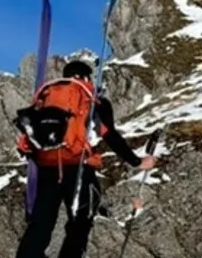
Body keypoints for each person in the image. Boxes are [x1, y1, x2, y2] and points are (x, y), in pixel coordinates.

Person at [14, 59, 158, 258]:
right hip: (78, 167)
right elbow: (109, 135)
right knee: (80, 222)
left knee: (41, 223)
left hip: (47, 167)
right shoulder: (89, 98)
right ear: (86, 77)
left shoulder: (47, 98)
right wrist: (137, 161)